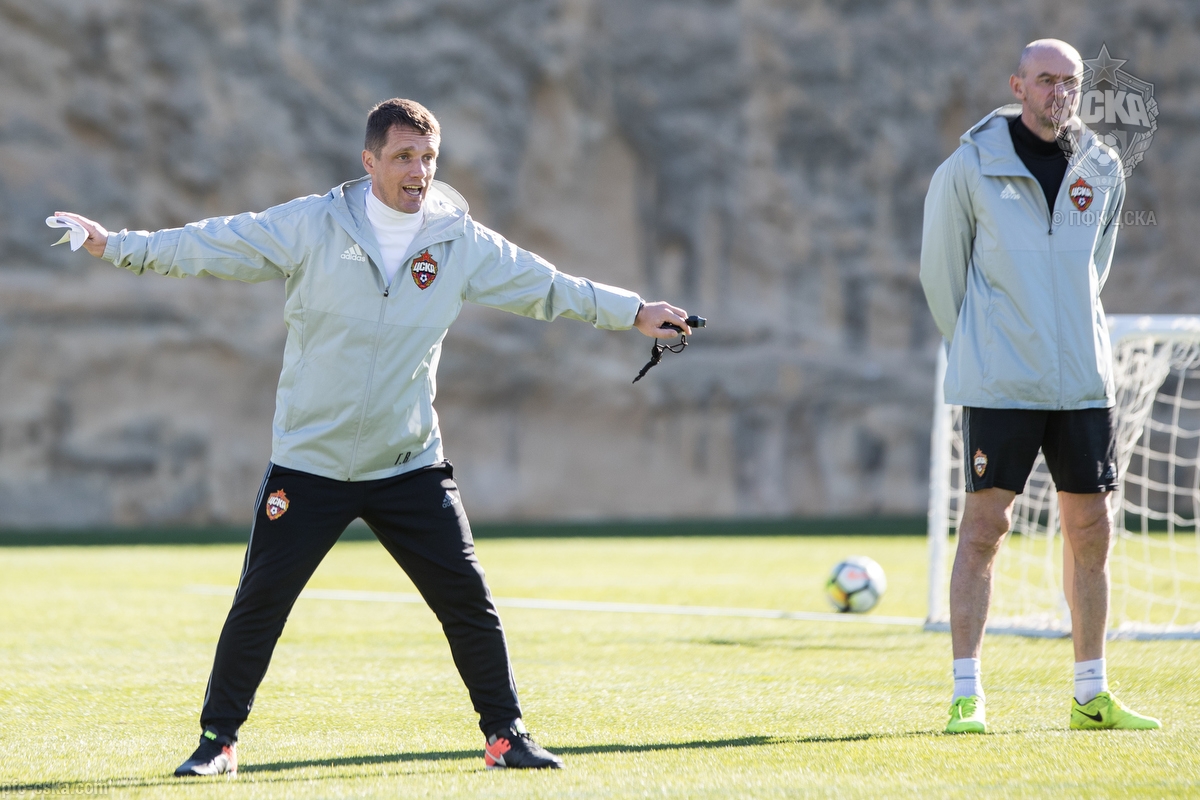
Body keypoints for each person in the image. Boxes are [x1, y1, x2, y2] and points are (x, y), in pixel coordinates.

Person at [55, 98, 693, 775]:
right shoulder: (311, 224)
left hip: (407, 462)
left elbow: (549, 287)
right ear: (369, 161)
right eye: (403, 157)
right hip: (310, 463)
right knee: (260, 604)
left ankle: (506, 737)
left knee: (468, 601)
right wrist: (113, 246)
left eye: (428, 158)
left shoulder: (459, 241)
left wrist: (633, 311)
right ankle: (219, 743)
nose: (418, 171)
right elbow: (211, 243)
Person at [919, 40, 1160, 734]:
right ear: (1017, 86)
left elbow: (1094, 268)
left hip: (1081, 381)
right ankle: (967, 695)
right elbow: (941, 275)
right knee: (984, 530)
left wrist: (1066, 334)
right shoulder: (967, 168)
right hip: (1002, 381)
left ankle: (1091, 694)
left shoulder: (1104, 167)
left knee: (1092, 530)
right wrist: (985, 344)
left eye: (1071, 81)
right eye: (1046, 79)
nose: (1060, 91)